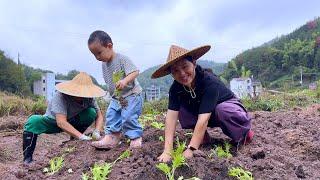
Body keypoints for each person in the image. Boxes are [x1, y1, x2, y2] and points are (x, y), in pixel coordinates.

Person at [153, 45, 254, 162]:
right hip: (204, 112)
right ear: (171, 74)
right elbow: (171, 117)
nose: (182, 73)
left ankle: (244, 133)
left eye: (185, 66)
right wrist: (167, 150)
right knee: (182, 107)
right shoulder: (175, 89)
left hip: (226, 109)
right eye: (175, 71)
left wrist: (191, 149)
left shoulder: (209, 82)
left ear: (194, 63)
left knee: (223, 110)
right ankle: (203, 138)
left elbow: (203, 119)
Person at [22, 72, 105, 164]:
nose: (81, 96)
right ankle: (27, 159)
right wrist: (82, 136)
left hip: (74, 121)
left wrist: (97, 131)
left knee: (91, 112)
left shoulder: (90, 98)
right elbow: (61, 122)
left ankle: (74, 141)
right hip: (53, 122)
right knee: (33, 121)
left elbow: (99, 115)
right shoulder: (60, 96)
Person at [88, 30, 143, 149]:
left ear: (109, 46)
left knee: (128, 116)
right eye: (94, 55)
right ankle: (112, 137)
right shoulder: (104, 64)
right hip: (116, 97)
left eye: (99, 53)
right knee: (111, 115)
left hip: (131, 94)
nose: (97, 57)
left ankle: (135, 137)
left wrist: (124, 81)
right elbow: (109, 82)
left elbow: (135, 72)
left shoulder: (122, 59)